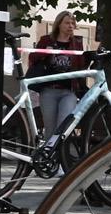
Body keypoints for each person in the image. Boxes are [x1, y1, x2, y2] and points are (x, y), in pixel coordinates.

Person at [29, 11, 89, 141]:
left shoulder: (76, 43)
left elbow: (81, 65)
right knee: (50, 129)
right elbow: (32, 57)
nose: (71, 26)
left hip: (68, 91)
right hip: (49, 90)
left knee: (63, 127)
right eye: (67, 23)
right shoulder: (46, 40)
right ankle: (48, 157)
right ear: (59, 24)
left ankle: (60, 159)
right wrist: (45, 53)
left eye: (73, 23)